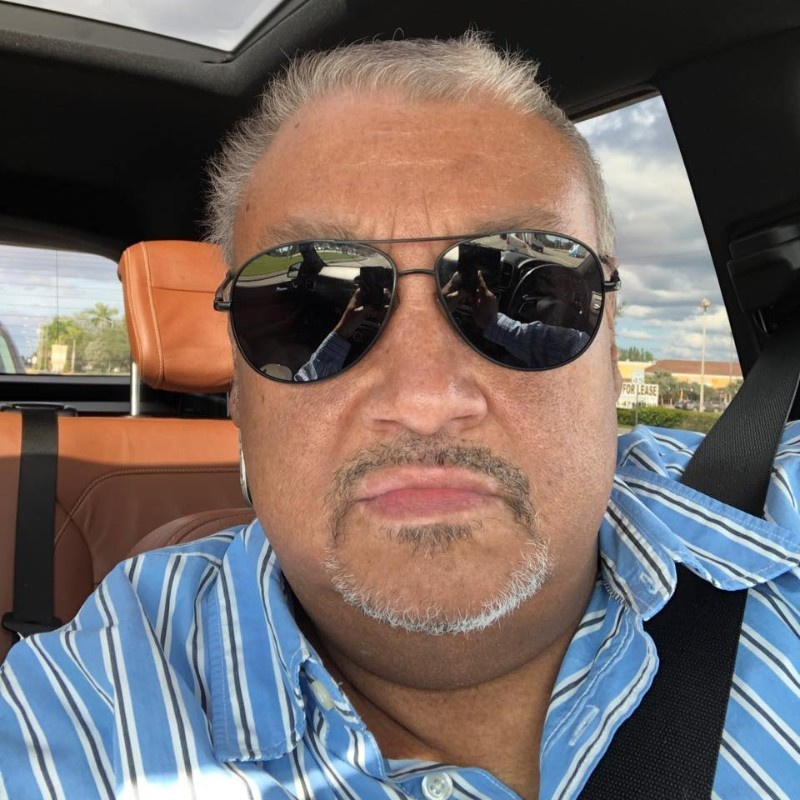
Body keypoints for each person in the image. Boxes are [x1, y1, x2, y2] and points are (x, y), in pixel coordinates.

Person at [1, 33, 798, 800]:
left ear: (609, 337)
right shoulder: (83, 716)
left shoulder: (777, 505)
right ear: (238, 383)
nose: (424, 400)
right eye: (306, 304)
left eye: (523, 290)